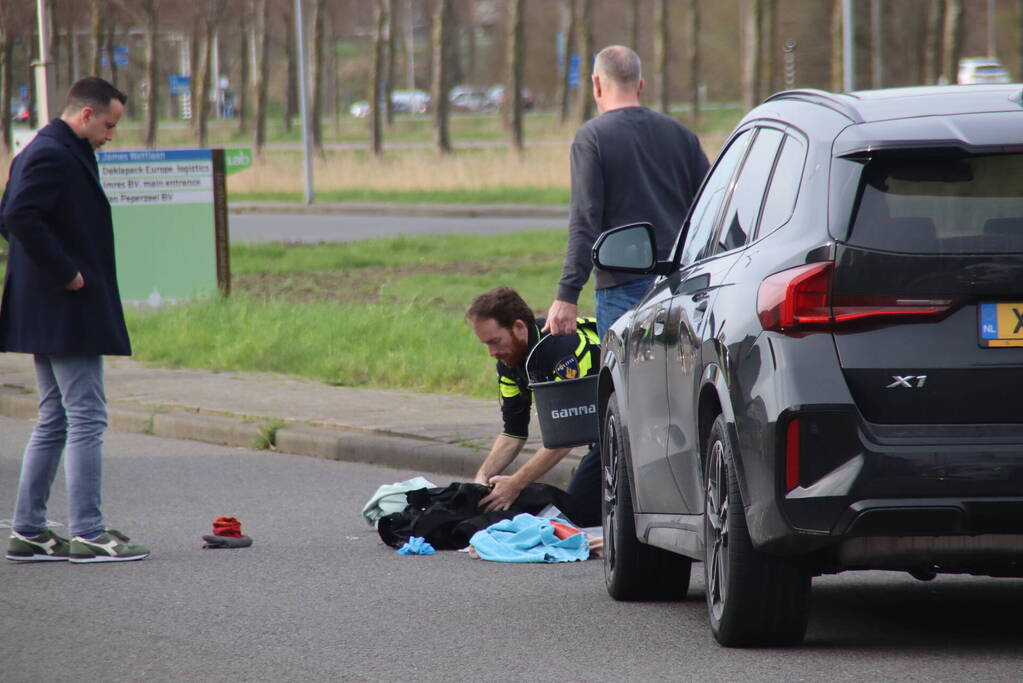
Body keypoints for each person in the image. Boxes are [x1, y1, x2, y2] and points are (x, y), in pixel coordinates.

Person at [2, 77, 149, 563]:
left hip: (48, 309)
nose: (111, 134)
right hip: (65, 308)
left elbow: (8, 215)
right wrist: (66, 273)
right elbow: (20, 216)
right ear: (86, 115)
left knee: (56, 418)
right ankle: (87, 530)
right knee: (86, 416)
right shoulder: (53, 153)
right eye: (109, 124)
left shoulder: (45, 149)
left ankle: (29, 531)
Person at [545, 45, 710, 342]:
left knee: (622, 385)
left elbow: (585, 220)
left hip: (621, 289)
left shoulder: (592, 138)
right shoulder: (682, 136)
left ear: (596, 83)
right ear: (640, 85)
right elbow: (711, 207)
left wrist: (567, 294)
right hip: (681, 285)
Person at [467, 287, 601, 528]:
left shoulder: (562, 349)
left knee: (580, 514)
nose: (492, 353)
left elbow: (566, 437)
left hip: (637, 424)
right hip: (602, 428)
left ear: (519, 328)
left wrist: (516, 483)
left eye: (495, 342)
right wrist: (481, 479)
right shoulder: (508, 362)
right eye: (486, 344)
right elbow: (513, 433)